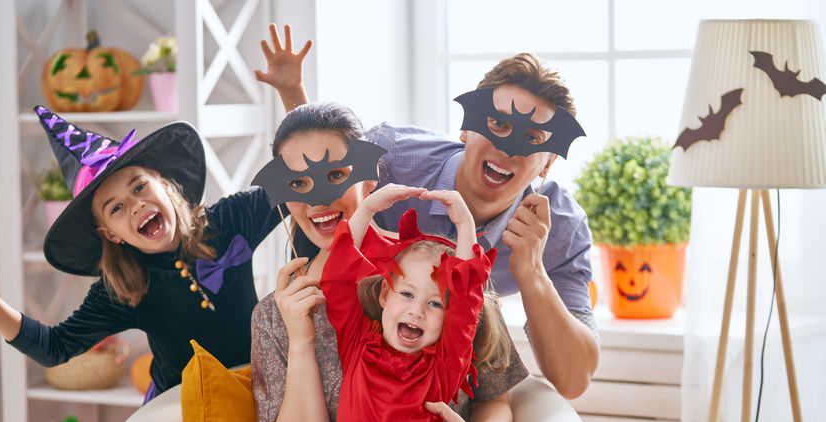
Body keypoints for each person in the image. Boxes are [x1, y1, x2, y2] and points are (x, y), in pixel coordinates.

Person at [255, 24, 600, 400]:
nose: (507, 148)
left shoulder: (559, 228)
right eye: (497, 124)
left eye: (532, 138)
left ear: (548, 162)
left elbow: (573, 381)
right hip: (350, 331)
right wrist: (293, 94)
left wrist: (532, 272)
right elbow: (319, 161)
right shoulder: (391, 156)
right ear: (466, 128)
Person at [251, 101, 528, 422]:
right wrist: (300, 340)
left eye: (336, 175)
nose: (318, 199)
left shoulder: (440, 273)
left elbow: (495, 397)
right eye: (298, 183)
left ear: (370, 177)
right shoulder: (274, 315)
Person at [0, 106, 283, 400]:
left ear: (164, 183)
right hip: (184, 407)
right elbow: (54, 347)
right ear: (110, 234)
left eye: (139, 187)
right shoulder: (123, 290)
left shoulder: (230, 220)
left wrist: (290, 89)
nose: (136, 205)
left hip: (260, 387)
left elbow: (295, 179)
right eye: (116, 208)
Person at [319, 183, 518, 422]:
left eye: (435, 303)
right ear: (384, 296)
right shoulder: (357, 343)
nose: (417, 311)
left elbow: (467, 298)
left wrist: (465, 225)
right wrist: (367, 209)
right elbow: (338, 277)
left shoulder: (445, 365)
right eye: (407, 294)